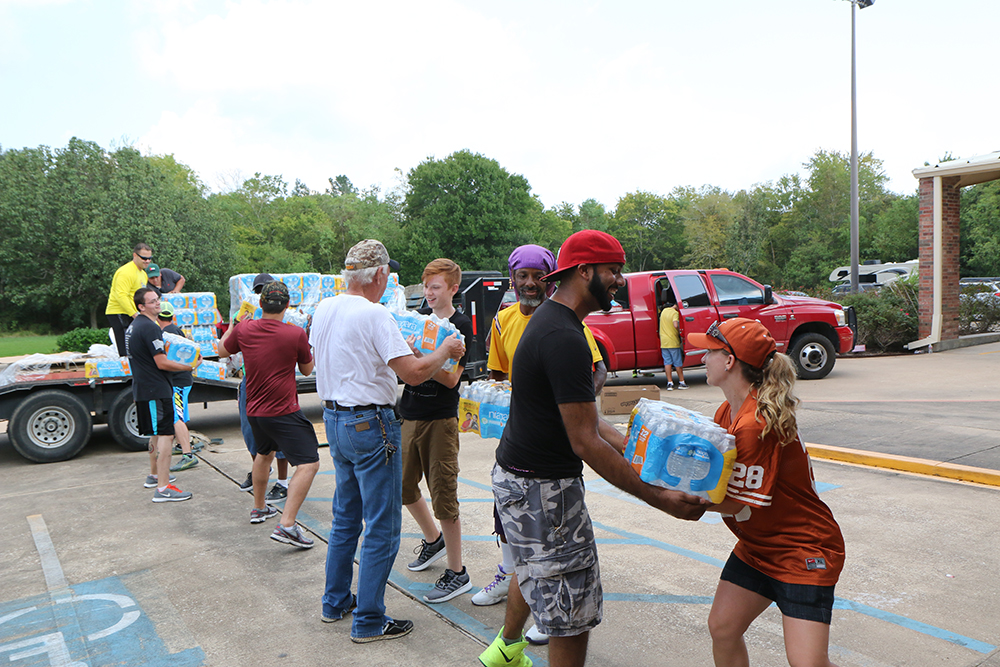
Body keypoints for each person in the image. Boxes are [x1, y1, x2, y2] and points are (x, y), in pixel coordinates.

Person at [480, 230, 707, 667]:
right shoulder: (564, 338)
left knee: (532, 576)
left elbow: (581, 416)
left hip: (519, 483)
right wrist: (660, 498)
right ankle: (507, 651)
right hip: (545, 494)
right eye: (614, 270)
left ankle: (505, 652)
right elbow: (583, 439)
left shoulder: (554, 322)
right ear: (584, 271)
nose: (620, 280)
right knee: (571, 617)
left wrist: (638, 447)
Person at [311, 239, 464, 644]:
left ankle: (335, 601)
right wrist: (445, 351)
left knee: (346, 518)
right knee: (382, 526)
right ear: (379, 274)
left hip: (335, 419)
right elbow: (412, 373)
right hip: (369, 423)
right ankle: (369, 619)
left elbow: (348, 356)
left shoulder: (326, 308)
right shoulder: (375, 313)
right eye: (388, 275)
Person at [688, 318, 845, 667]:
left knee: (807, 663)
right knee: (723, 628)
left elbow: (733, 501)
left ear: (730, 361)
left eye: (710, 351)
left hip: (801, 550)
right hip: (761, 546)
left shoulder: (754, 423)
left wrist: (674, 498)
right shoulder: (729, 410)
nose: (703, 358)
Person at [475, 244, 607, 648]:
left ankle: (521, 636)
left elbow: (596, 372)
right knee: (522, 543)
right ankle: (522, 614)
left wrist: (569, 406)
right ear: (511, 279)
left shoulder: (566, 326)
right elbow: (498, 377)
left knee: (546, 551)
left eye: (538, 276)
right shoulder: (505, 321)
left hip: (549, 453)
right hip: (522, 450)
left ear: (551, 279)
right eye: (523, 276)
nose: (530, 283)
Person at [219, 280, 318, 548]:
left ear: (260, 304)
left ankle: (259, 507)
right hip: (283, 410)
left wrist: (235, 324)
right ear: (287, 305)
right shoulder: (294, 333)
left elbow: (222, 350)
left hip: (254, 409)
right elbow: (307, 370)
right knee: (309, 463)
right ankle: (287, 525)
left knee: (264, 455)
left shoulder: (245, 328)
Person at [400, 259, 476, 604]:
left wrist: (421, 358)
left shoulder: (460, 326)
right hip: (409, 413)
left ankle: (457, 573)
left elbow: (451, 379)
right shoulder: (418, 321)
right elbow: (405, 371)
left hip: (440, 419)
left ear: (453, 289)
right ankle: (433, 540)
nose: (429, 293)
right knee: (402, 486)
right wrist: (412, 360)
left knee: (444, 494)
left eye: (435, 287)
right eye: (426, 286)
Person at [126, 286, 198, 502]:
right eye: (152, 301)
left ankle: (155, 476)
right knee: (166, 435)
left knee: (156, 434)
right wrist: (189, 366)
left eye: (157, 299)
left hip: (145, 388)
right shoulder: (150, 327)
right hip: (155, 389)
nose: (157, 303)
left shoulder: (135, 326)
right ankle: (163, 488)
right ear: (141, 306)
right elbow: (161, 362)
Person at [234, 273, 290, 502]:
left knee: (281, 437)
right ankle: (260, 469)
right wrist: (238, 324)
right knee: (250, 433)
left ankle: (283, 482)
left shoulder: (285, 319)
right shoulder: (247, 319)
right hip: (251, 381)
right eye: (260, 290)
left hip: (276, 382)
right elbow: (226, 348)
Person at [155, 301, 199, 472]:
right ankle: (182, 445)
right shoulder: (175, 330)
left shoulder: (166, 334)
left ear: (157, 317)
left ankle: (188, 456)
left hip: (178, 381)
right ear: (172, 316)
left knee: (176, 417)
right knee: (179, 415)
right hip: (183, 379)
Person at [106, 243, 152, 356]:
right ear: (135, 255)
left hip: (133, 312)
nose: (147, 261)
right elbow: (121, 295)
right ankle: (125, 363)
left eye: (149, 258)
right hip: (119, 312)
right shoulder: (125, 272)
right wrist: (134, 314)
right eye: (144, 258)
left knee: (136, 346)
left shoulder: (143, 274)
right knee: (126, 349)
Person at [659, 297, 687, 390]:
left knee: (667, 363)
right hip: (673, 341)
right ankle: (682, 382)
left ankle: (670, 383)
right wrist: (680, 330)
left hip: (664, 342)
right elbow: (675, 325)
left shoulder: (664, 311)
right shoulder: (675, 313)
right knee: (677, 363)